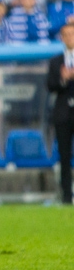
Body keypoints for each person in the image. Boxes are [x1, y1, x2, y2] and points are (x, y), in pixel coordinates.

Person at [47, 21, 74, 205]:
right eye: (66, 35)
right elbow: (50, 85)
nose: (69, 38)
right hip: (63, 113)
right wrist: (63, 79)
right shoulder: (56, 61)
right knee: (64, 156)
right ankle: (66, 196)